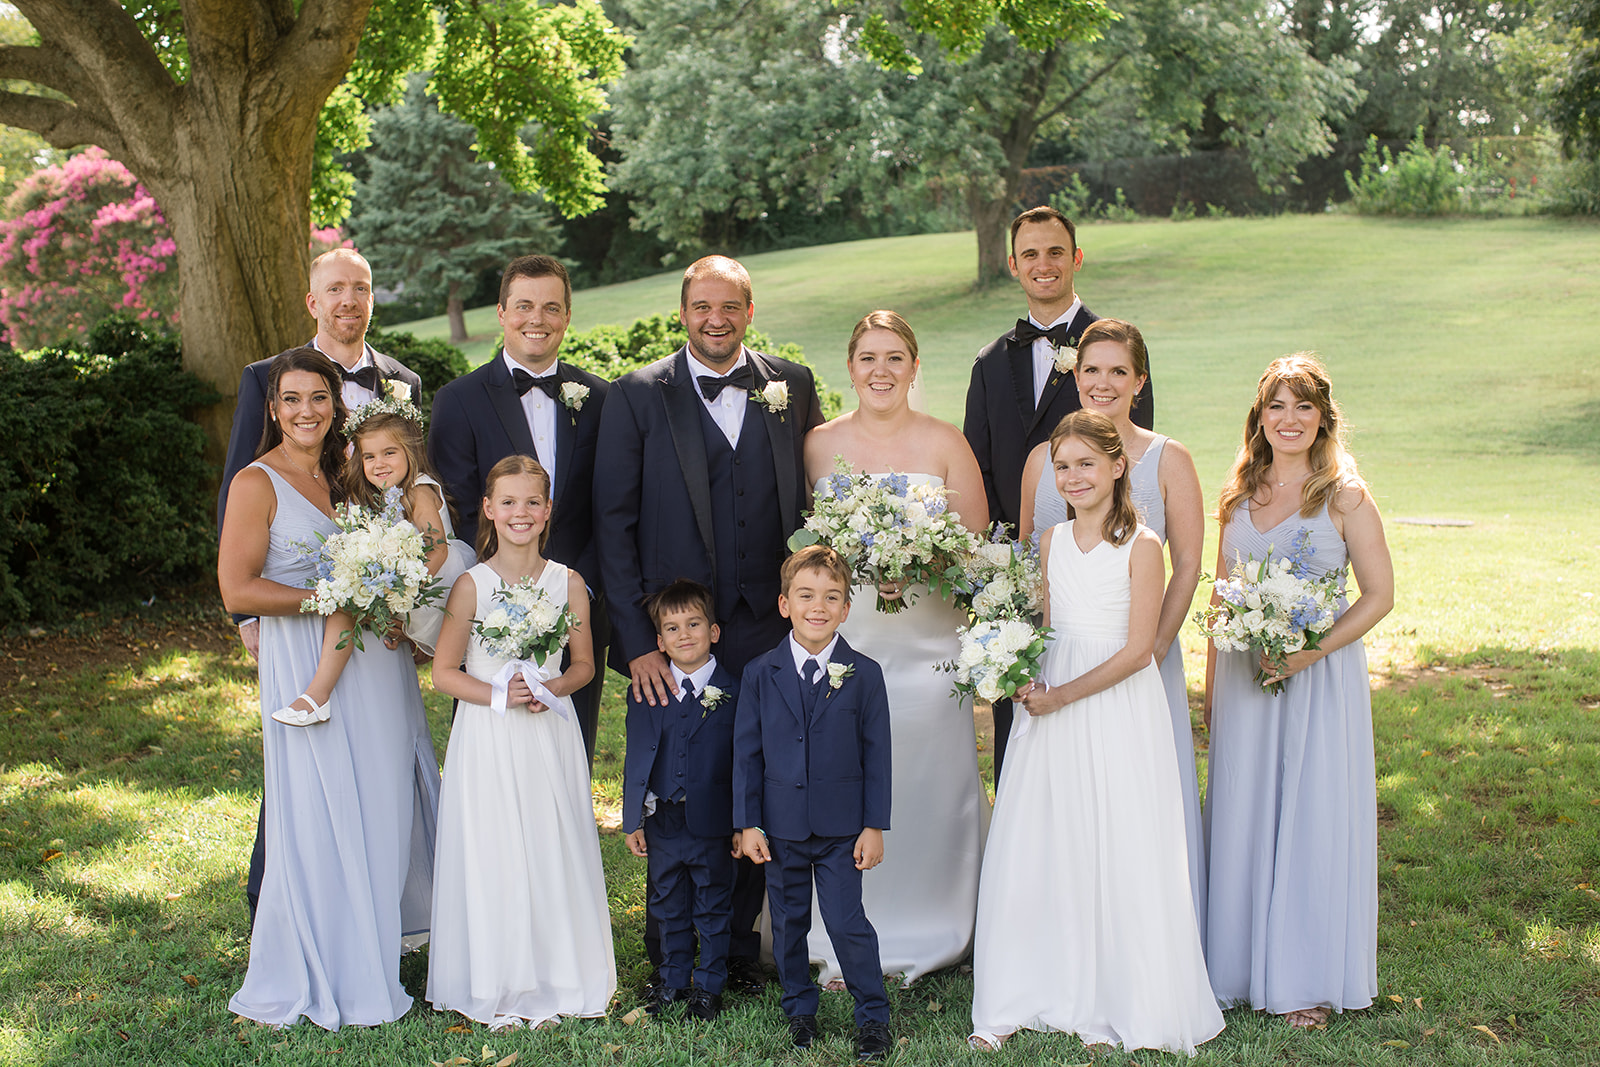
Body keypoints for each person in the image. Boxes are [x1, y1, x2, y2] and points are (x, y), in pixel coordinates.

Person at [595, 254, 824, 991]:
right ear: (682, 311)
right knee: (676, 784)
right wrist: (638, 644)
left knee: (749, 780)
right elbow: (614, 523)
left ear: (748, 311)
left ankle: (736, 950)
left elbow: (817, 501)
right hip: (676, 635)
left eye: (729, 307)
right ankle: (669, 952)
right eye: (701, 306)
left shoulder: (792, 384)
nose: (715, 319)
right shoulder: (636, 395)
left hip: (765, 625)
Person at [969, 411, 1222, 1056]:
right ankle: (1027, 990)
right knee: (1043, 837)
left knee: (1117, 838)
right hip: (1050, 704)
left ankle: (1116, 997)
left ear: (1117, 468)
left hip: (1115, 705)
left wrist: (1062, 696)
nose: (1073, 476)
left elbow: (1140, 649)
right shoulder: (1049, 542)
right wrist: (1022, 677)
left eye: (1086, 464)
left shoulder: (1143, 547)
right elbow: (1049, 630)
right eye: (1063, 466)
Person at [220, 347, 440, 1029]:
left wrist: (394, 600)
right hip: (304, 664)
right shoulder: (257, 482)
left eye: (318, 397)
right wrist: (329, 594)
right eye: (291, 399)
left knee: (382, 804)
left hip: (378, 667)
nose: (306, 411)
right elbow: (238, 587)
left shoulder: (347, 479)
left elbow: (400, 550)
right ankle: (327, 962)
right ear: (273, 408)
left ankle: (374, 945)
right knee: (321, 810)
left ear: (334, 406)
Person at [215, 248, 423, 921]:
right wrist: (249, 619)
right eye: (335, 288)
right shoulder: (263, 380)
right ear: (312, 300)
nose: (348, 300)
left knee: (382, 765)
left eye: (360, 288)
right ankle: (277, 908)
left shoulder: (402, 381)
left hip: (372, 621)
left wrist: (402, 602)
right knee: (302, 778)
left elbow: (398, 501)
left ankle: (381, 906)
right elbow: (242, 497)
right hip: (297, 618)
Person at [1202, 354, 1393, 1029]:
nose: (1289, 419)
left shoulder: (1345, 495)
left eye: (1302, 406)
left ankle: (1305, 977)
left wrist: (1314, 650)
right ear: (1260, 416)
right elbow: (1222, 601)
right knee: (1243, 810)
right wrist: (1212, 694)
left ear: (1322, 417)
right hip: (1245, 677)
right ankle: (1233, 967)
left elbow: (1379, 596)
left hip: (1318, 678)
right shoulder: (1234, 496)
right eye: (1276, 406)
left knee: (1310, 812)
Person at [800, 310, 989, 986]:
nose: (881, 370)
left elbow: (977, 552)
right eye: (868, 357)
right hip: (845, 648)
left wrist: (923, 559)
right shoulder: (819, 445)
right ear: (850, 367)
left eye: (894, 357)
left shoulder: (946, 444)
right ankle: (838, 928)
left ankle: (940, 919)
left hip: (927, 645)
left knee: (926, 785)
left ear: (914, 366)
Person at [1017, 318, 1207, 936]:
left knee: (1138, 800)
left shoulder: (1167, 457)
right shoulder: (1041, 462)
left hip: (1138, 650)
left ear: (1138, 380)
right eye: (1091, 369)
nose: (1103, 382)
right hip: (1058, 656)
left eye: (1118, 371)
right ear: (1075, 376)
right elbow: (1027, 568)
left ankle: (1154, 933)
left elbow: (1188, 568)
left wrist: (1149, 649)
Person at [963, 206, 1155, 784]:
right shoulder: (990, 362)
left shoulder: (1117, 350)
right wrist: (1001, 577)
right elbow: (977, 467)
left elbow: (1133, 457)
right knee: (1020, 738)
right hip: (1023, 570)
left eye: (1054, 252)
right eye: (1029, 254)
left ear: (1075, 258)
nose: (1042, 265)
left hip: (1107, 580)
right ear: (1013, 266)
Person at [425, 455, 616, 1029]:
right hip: (487, 734)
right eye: (507, 502)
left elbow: (583, 665)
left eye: (532, 502)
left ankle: (557, 972)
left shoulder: (569, 583)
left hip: (547, 732)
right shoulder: (471, 584)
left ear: (548, 510)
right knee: (495, 848)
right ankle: (495, 978)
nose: (520, 513)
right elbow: (444, 673)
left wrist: (548, 686)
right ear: (488, 509)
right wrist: (500, 694)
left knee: (548, 843)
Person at [429, 254, 611, 765]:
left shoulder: (600, 398)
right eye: (524, 306)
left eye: (552, 307)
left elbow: (611, 506)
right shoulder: (458, 400)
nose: (538, 318)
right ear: (501, 312)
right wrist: (496, 591)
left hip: (575, 601)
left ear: (567, 316)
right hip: (489, 612)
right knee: (494, 753)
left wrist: (582, 587)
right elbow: (459, 511)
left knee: (569, 751)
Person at [733, 546, 893, 1061]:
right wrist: (748, 823)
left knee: (848, 922)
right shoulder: (760, 673)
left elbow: (878, 754)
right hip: (779, 828)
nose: (817, 607)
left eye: (831, 597)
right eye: (805, 595)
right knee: (789, 922)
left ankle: (872, 1016)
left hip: (843, 829)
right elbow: (747, 755)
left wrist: (874, 825)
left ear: (846, 608)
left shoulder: (864, 673)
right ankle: (799, 1008)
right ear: (785, 604)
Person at [274, 397, 476, 726]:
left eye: (389, 453)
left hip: (436, 585)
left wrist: (394, 595)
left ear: (410, 452)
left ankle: (317, 694)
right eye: (369, 456)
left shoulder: (419, 491)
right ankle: (320, 696)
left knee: (349, 605)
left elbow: (436, 549)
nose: (379, 463)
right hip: (402, 584)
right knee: (348, 598)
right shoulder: (376, 497)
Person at [621, 580, 743, 1021]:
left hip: (713, 823)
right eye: (672, 628)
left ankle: (709, 986)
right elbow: (636, 754)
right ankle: (672, 980)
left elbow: (745, 763)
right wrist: (632, 817)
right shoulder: (646, 690)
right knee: (667, 905)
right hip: (664, 822)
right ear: (659, 641)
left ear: (713, 631)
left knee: (712, 905)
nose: (684, 634)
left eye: (694, 624)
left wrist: (742, 823)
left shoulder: (736, 690)